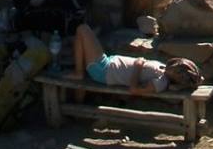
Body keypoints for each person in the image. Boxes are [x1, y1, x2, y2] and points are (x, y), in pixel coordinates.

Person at [66, 23, 199, 97]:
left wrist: (138, 66)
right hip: (107, 63)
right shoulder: (163, 70)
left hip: (104, 70)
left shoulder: (161, 82)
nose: (175, 67)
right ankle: (77, 102)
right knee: (83, 35)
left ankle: (79, 73)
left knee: (83, 29)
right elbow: (197, 77)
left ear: (177, 78)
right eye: (178, 66)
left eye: (178, 72)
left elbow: (134, 90)